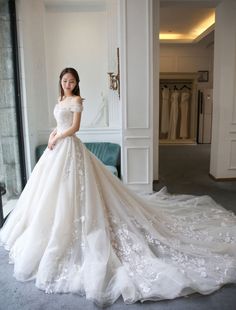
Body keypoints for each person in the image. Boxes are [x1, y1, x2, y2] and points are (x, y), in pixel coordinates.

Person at [0, 67, 236, 307]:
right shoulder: (60, 98)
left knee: (79, 193)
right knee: (50, 195)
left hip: (69, 147)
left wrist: (57, 138)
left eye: (71, 81)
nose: (68, 83)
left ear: (76, 83)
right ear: (60, 82)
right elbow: (59, 123)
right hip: (56, 150)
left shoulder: (77, 99)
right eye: (64, 80)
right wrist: (52, 135)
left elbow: (74, 128)